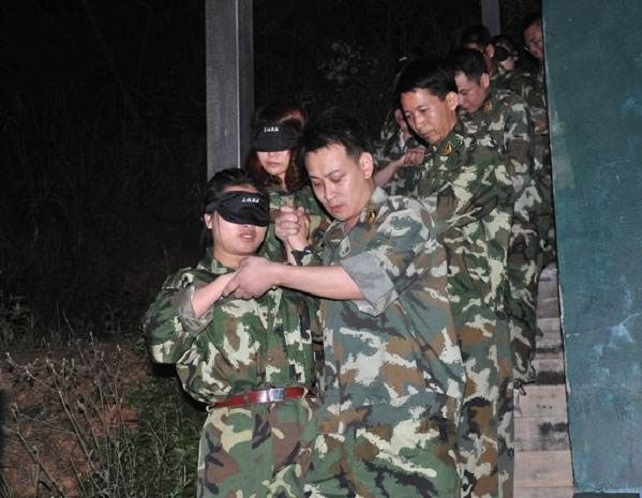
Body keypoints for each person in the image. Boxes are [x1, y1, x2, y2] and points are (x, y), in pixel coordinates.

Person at [224, 108, 466, 497]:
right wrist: (298, 247)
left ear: (366, 165)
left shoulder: (405, 217)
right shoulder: (335, 239)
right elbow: (322, 317)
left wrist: (276, 272)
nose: (328, 194)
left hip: (406, 426)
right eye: (317, 184)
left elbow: (364, 281)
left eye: (337, 179)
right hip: (338, 427)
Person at [142, 168, 320, 497]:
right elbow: (161, 343)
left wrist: (298, 248)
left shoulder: (285, 276)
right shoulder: (191, 282)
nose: (248, 225)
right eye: (235, 213)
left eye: (256, 214)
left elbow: (335, 320)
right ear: (209, 219)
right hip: (236, 437)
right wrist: (226, 282)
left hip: (306, 430)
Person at [395, 58, 517, 498]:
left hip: (474, 318)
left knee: (481, 440)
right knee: (444, 441)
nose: (417, 124)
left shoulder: (482, 154)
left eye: (424, 111)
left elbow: (430, 217)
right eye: (409, 116)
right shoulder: (430, 164)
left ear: (452, 101)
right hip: (434, 318)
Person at [449, 47, 544, 386]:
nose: (461, 101)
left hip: (516, 219)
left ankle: (518, 371)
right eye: (455, 94)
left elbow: (518, 171)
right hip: (473, 228)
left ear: (485, 81)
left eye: (466, 92)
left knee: (517, 292)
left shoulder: (511, 107)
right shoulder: (456, 120)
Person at [245, 102, 330, 263]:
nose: (272, 154)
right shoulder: (248, 195)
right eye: (265, 144)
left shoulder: (321, 190)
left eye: (280, 143)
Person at [522, 13, 557, 266]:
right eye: (530, 46)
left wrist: (550, 124)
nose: (534, 50)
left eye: (536, 41)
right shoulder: (539, 74)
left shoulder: (568, 66)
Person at [372, 105, 427, 195]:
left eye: (405, 108)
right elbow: (369, 187)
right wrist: (394, 166)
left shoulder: (430, 146)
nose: (401, 113)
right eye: (398, 107)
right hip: (380, 203)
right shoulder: (381, 148)